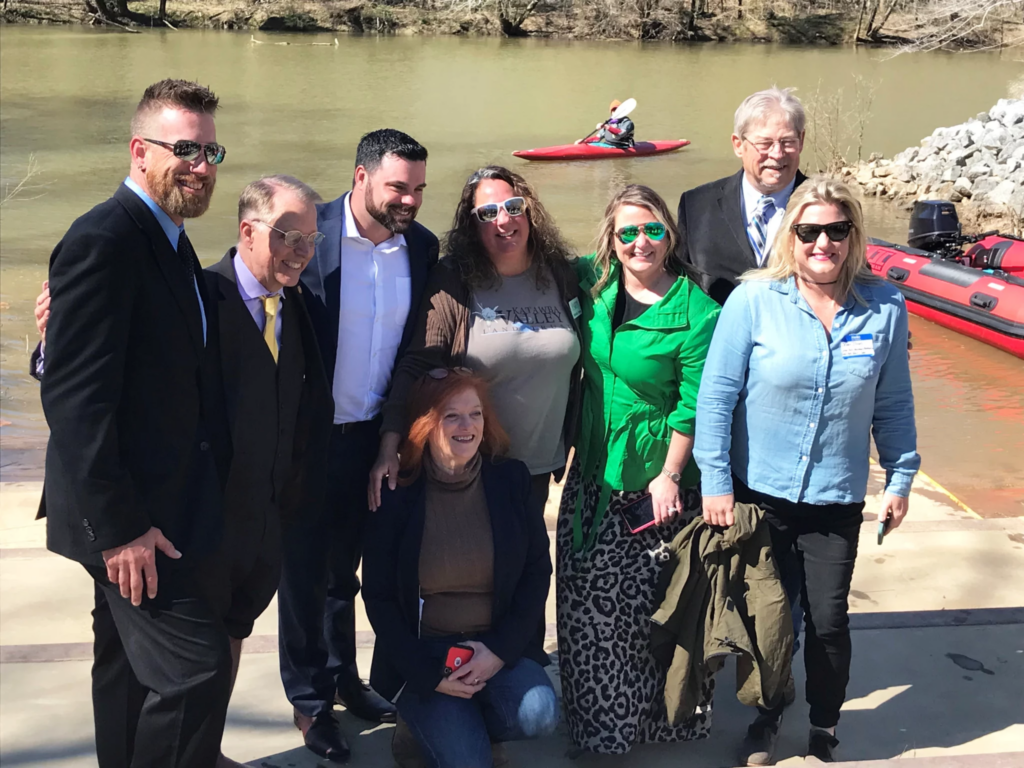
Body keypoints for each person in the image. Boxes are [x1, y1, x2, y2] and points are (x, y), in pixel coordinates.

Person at [31, 175, 336, 768]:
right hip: (195, 517)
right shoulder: (200, 293)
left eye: (311, 239)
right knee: (190, 666)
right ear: (248, 231)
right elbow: (103, 379)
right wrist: (53, 340)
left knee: (218, 640)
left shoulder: (301, 307)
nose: (301, 250)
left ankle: (203, 750)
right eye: (288, 235)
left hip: (263, 519)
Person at [37, 79, 233, 767]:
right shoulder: (106, 239)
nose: (202, 165)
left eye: (211, 150)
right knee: (195, 671)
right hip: (121, 512)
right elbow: (75, 398)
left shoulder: (171, 240)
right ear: (138, 150)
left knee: (124, 664)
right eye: (185, 148)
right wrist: (118, 530)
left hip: (162, 500)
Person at [694, 176, 920, 765]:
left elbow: (893, 404)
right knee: (770, 622)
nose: (823, 242)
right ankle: (767, 715)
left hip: (835, 497)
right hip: (759, 495)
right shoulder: (752, 300)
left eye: (836, 231)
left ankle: (824, 724)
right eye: (810, 230)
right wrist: (714, 480)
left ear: (853, 236)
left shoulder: (885, 306)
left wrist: (899, 478)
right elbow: (716, 397)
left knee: (826, 622)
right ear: (789, 234)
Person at [279, 129, 440, 762]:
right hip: (307, 439)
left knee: (356, 571)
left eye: (420, 188)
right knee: (305, 574)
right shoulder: (307, 231)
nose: (410, 199)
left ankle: (349, 683)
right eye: (399, 186)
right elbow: (239, 280)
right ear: (361, 176)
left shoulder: (422, 248)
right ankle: (310, 704)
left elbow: (421, 347)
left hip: (381, 438)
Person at [556, 184, 721, 755]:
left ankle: (650, 724)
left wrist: (670, 475)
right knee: (582, 609)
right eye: (628, 231)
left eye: (652, 229)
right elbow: (531, 258)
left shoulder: (697, 313)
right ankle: (594, 728)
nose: (640, 241)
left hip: (652, 485)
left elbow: (693, 403)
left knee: (641, 617)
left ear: (670, 235)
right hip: (592, 470)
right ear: (611, 238)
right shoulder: (594, 284)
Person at [363, 368, 558, 768]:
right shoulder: (398, 494)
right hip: (426, 654)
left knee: (539, 714)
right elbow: (378, 595)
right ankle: (422, 725)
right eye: (452, 415)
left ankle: (461, 725)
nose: (467, 426)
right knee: (468, 762)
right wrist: (428, 675)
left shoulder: (510, 480)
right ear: (425, 424)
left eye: (476, 413)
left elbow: (537, 572)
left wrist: (499, 652)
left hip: (490, 644)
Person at [371, 165, 582, 526]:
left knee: (527, 575)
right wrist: (389, 444)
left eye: (514, 207)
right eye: (488, 213)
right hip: (470, 466)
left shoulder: (560, 275)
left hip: (539, 469)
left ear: (529, 211)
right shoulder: (455, 279)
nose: (504, 220)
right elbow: (417, 363)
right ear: (472, 225)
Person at [677, 86, 808, 306]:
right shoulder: (696, 207)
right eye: (765, 143)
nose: (777, 154)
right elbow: (676, 286)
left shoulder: (830, 208)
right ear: (738, 145)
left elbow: (856, 284)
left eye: (787, 142)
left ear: (801, 141)